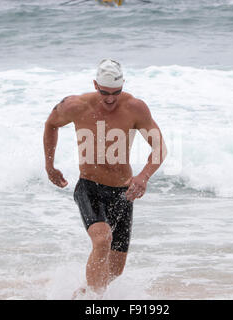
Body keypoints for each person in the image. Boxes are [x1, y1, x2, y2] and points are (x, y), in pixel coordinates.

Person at [43, 59, 167, 297]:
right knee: (102, 240)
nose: (110, 99)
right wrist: (50, 165)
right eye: (104, 93)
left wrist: (143, 176)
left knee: (115, 270)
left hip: (123, 193)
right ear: (95, 85)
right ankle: (95, 301)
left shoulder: (135, 108)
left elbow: (160, 147)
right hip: (90, 188)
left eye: (116, 93)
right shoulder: (75, 105)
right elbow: (51, 124)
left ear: (123, 87)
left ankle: (84, 292)